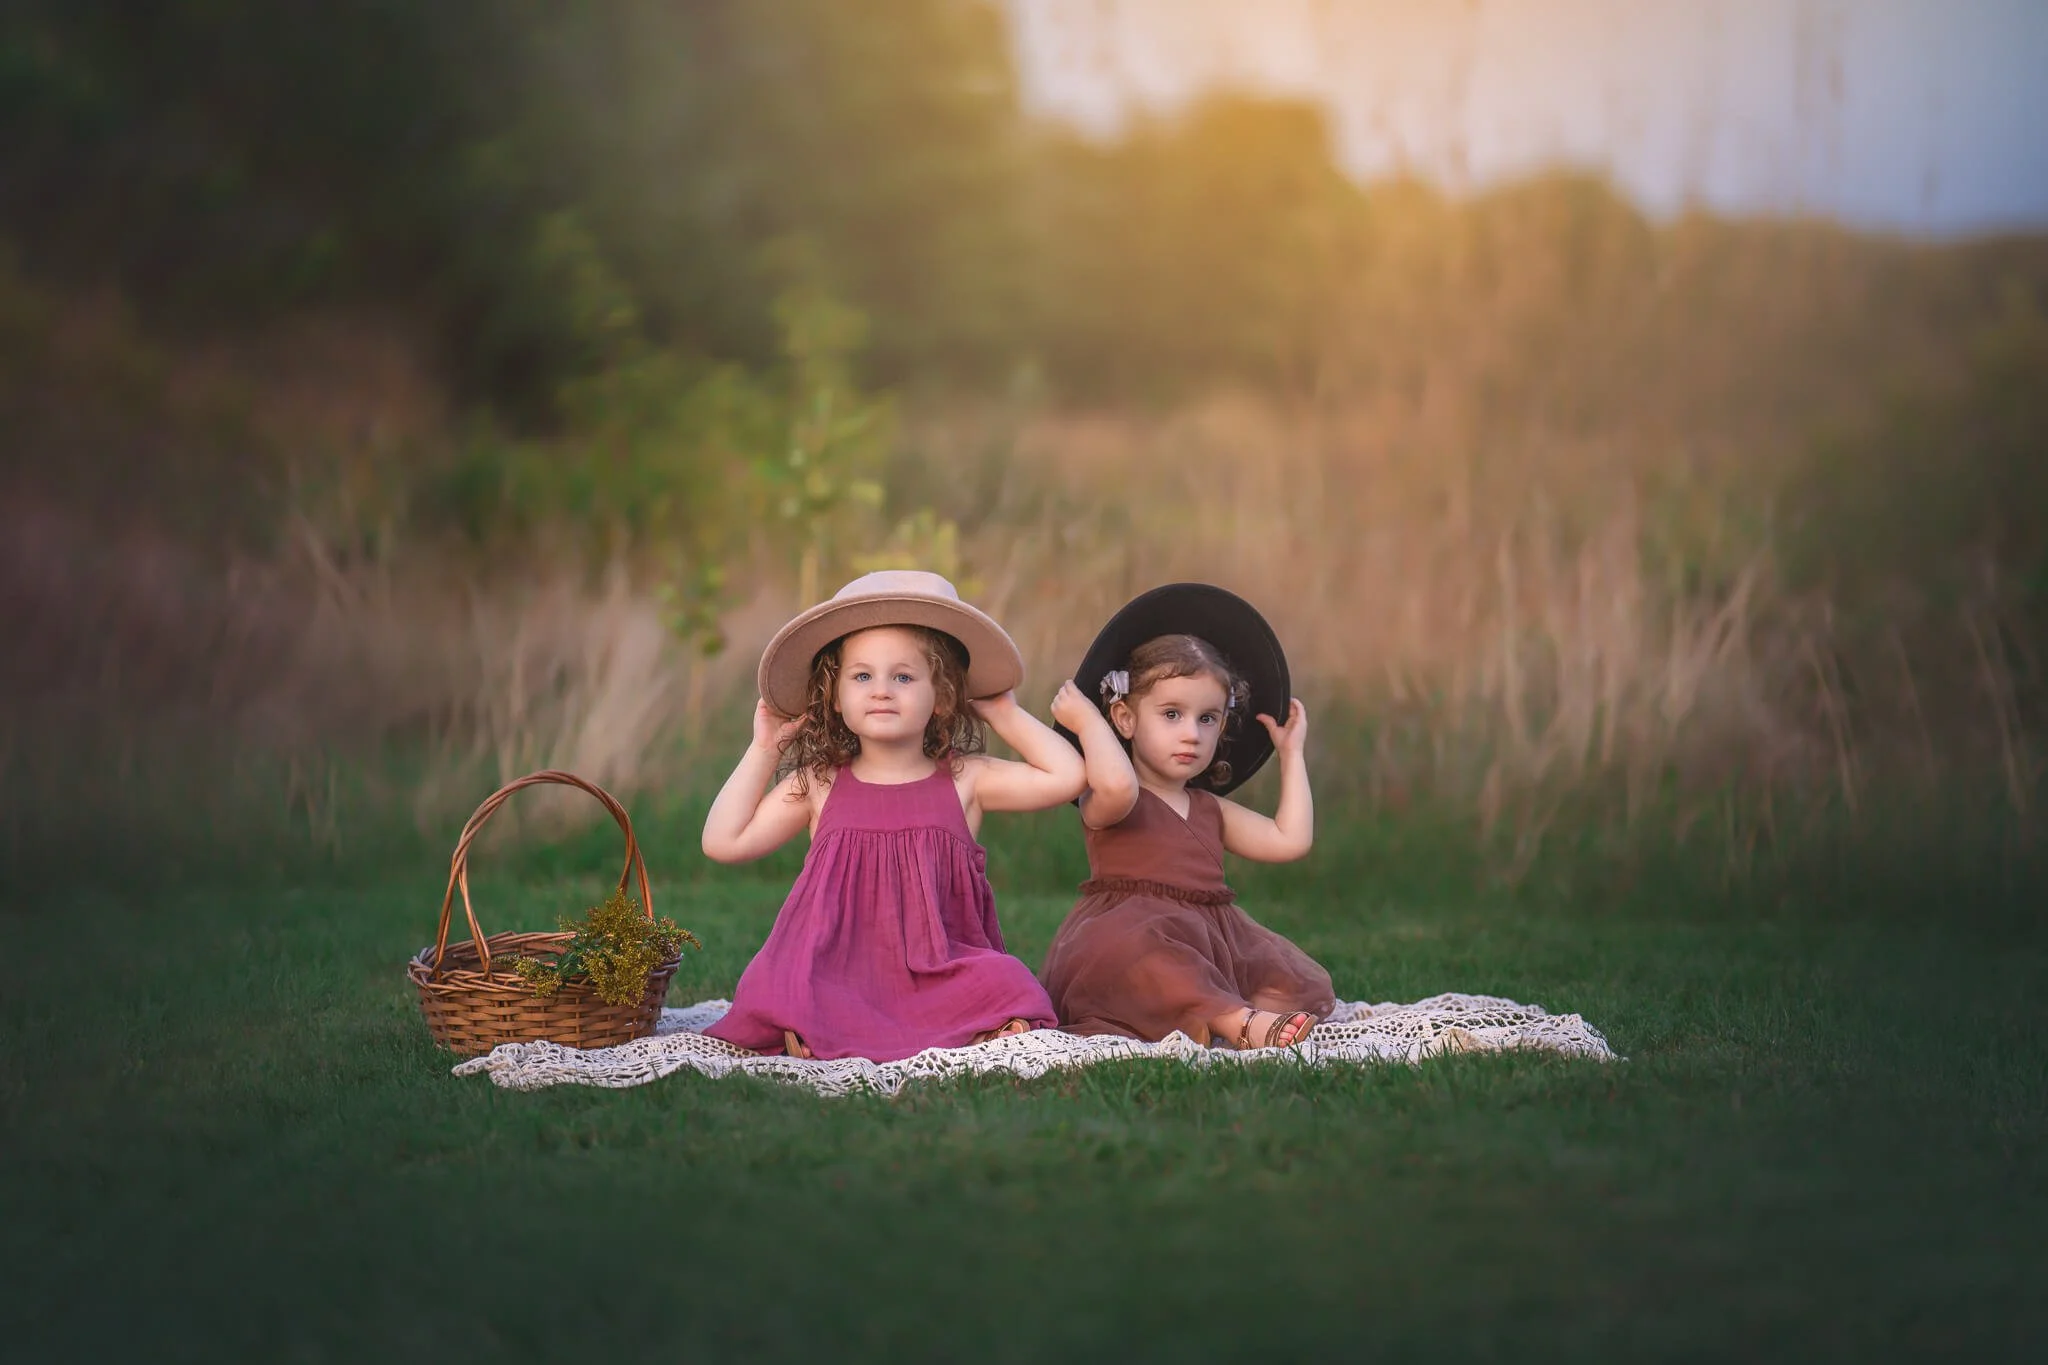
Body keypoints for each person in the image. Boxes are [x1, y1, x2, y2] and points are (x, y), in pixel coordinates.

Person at [701, 569, 1095, 1061]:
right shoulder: (819, 782)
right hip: (836, 972)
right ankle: (812, 1020)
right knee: (773, 977)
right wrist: (765, 748)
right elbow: (723, 842)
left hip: (939, 972)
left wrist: (1001, 712)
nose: (882, 690)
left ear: (943, 696)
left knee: (1007, 977)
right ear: (836, 698)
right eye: (862, 676)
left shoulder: (964, 780)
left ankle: (844, 1029)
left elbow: (1067, 776)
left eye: (904, 677)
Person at [1041, 583, 1335, 1049]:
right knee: (1145, 960)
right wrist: (1086, 721)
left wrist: (1292, 756)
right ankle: (1234, 1020)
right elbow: (1117, 781)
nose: (1192, 735)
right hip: (1130, 932)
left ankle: (1220, 1010)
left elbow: (1289, 840)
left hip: (1212, 938)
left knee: (1286, 980)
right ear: (1125, 720)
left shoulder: (1209, 808)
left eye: (1207, 719)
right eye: (1172, 714)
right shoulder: (1113, 801)